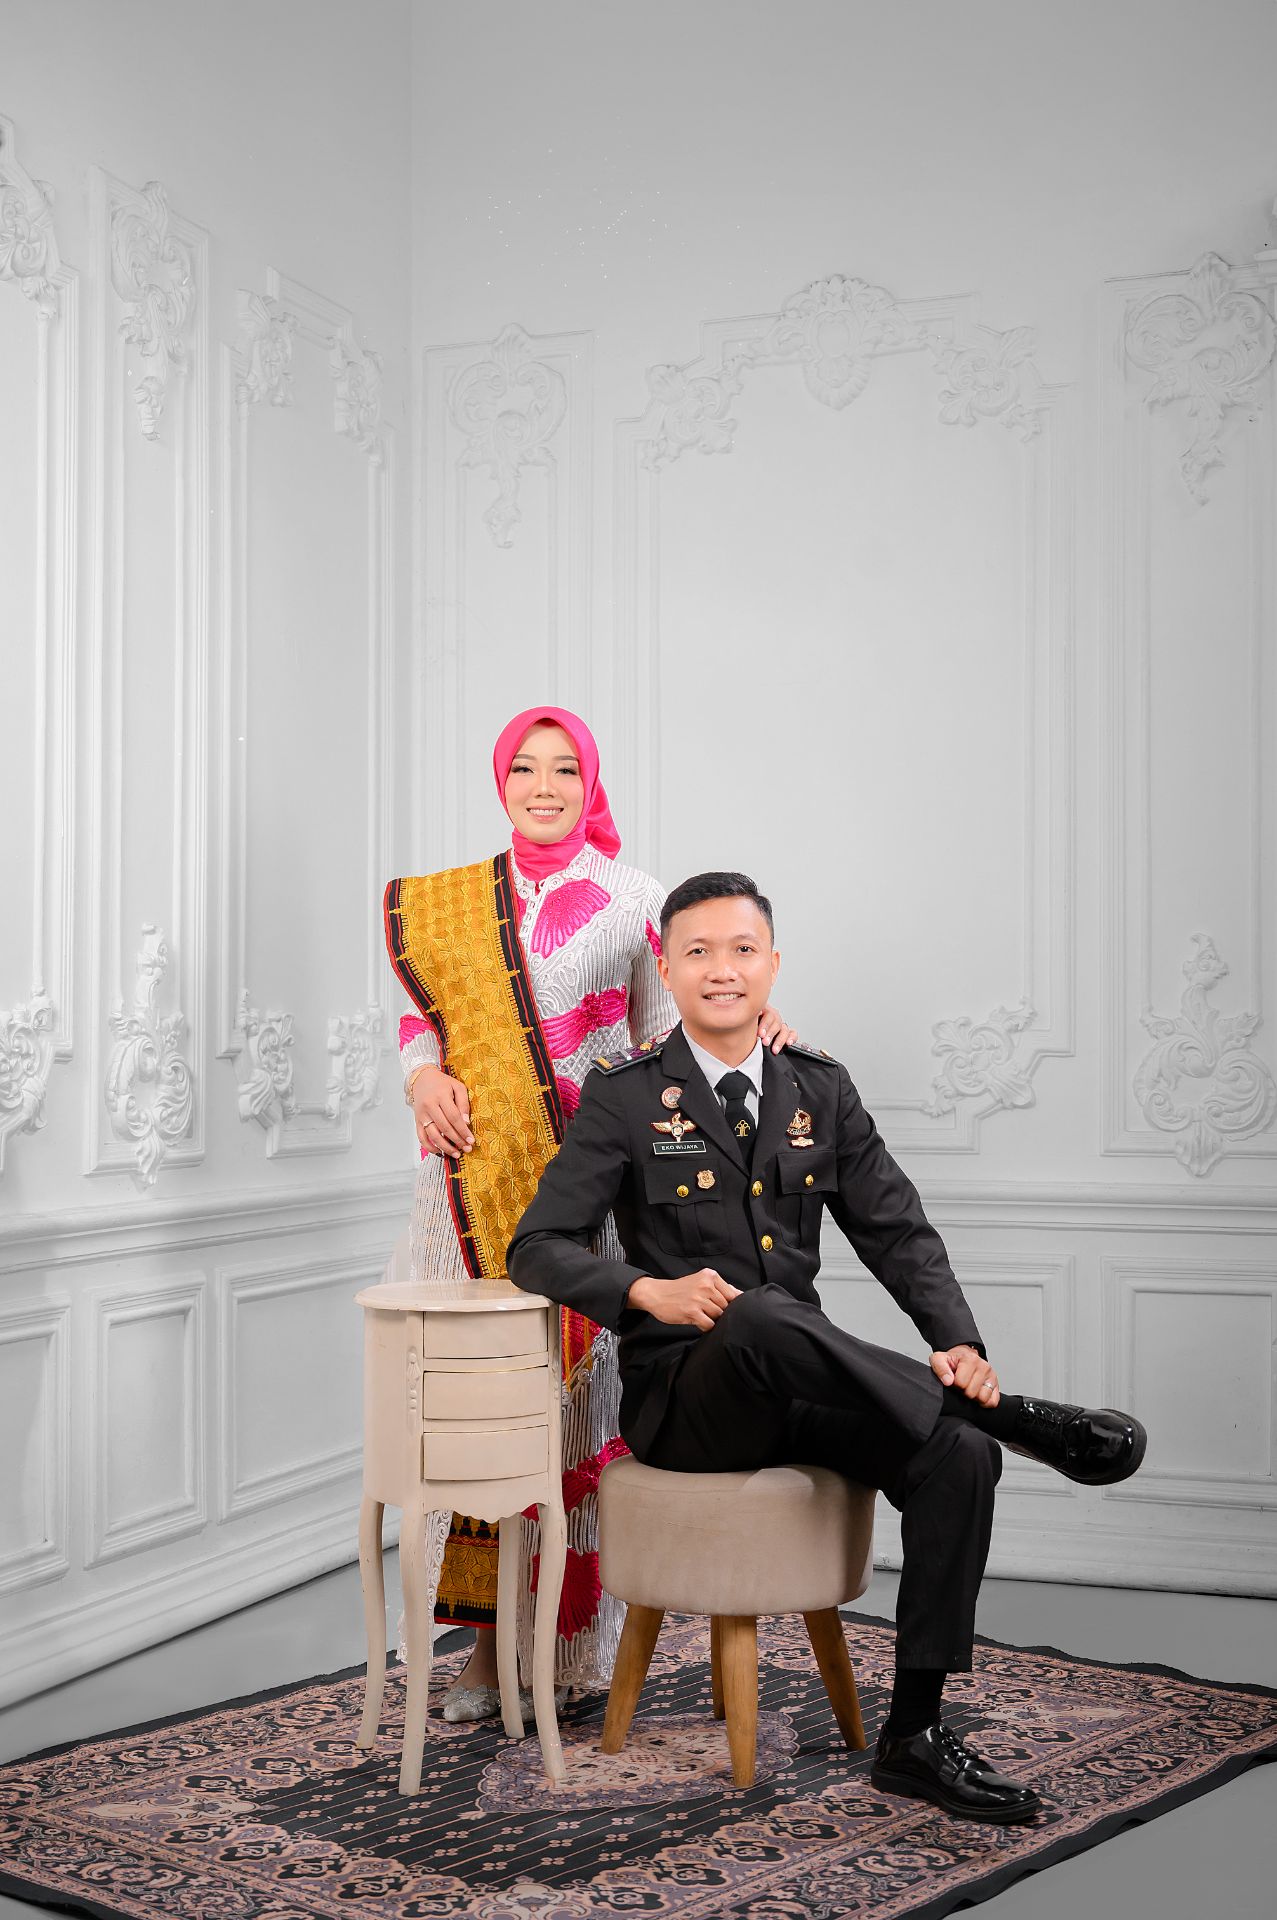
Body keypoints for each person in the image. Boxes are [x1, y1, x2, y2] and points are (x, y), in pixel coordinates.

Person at [507, 870, 1147, 1823]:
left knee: (957, 1456)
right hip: (687, 1401)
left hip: (802, 1385)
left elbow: (896, 1230)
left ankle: (914, 1738)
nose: (722, 970)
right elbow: (534, 1246)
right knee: (758, 1315)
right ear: (666, 972)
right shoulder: (627, 1097)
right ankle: (1014, 1420)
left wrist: (957, 1342)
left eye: (742, 950)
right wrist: (645, 1290)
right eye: (697, 953)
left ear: (772, 964)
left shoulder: (817, 1086)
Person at [384, 725, 795, 1722]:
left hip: (591, 1197)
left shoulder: (635, 897)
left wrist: (759, 1030)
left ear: (590, 782)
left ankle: (574, 1650)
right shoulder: (449, 903)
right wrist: (421, 1078)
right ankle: (485, 1654)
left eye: (564, 768)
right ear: (499, 782)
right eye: (523, 768)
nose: (543, 785)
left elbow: (669, 1030)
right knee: (481, 1422)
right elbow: (420, 1024)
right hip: (469, 1196)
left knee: (576, 1421)